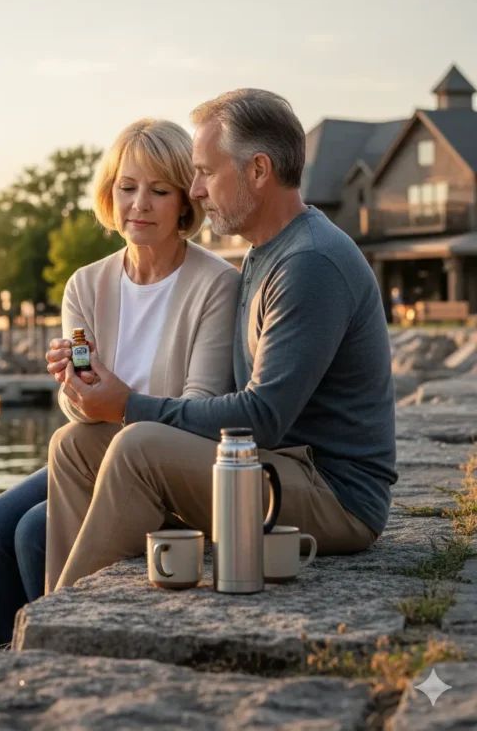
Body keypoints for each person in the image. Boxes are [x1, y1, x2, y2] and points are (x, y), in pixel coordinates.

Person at [49, 89, 397, 592]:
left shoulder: (309, 262)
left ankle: (71, 617)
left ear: (258, 170)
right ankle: (58, 604)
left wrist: (127, 405)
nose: (195, 190)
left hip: (333, 495)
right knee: (73, 444)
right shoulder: (266, 253)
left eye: (206, 173)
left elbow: (262, 417)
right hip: (275, 467)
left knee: (138, 445)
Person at [0, 118, 240, 646]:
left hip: (162, 465)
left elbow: (201, 408)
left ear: (184, 202)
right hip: (91, 452)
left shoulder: (216, 285)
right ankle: (7, 667)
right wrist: (72, 384)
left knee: (33, 532)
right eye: (127, 187)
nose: (139, 203)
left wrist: (116, 402)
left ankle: (52, 653)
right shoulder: (86, 284)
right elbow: (78, 411)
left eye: (159, 191)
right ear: (109, 194)